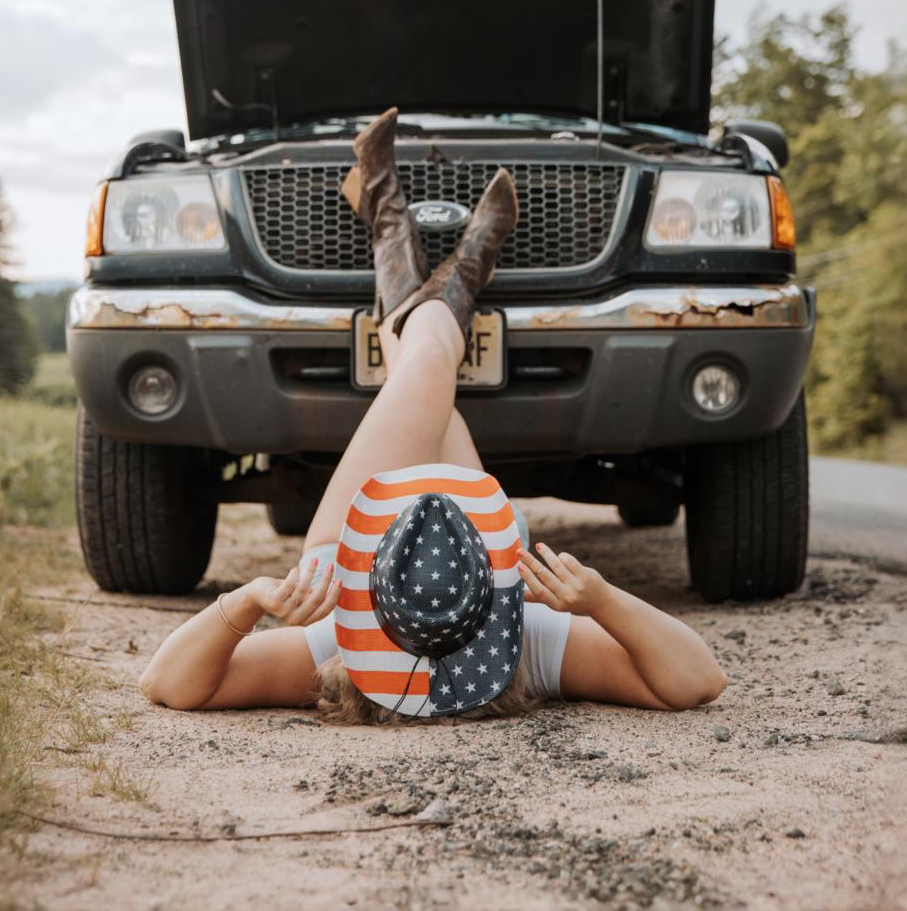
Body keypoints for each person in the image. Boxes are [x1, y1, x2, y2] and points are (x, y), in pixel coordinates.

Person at [138, 110, 727, 720]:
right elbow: (698, 679)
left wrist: (246, 602)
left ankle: (404, 226)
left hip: (347, 553)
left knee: (422, 369)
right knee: (427, 369)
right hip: (464, 541)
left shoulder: (337, 638)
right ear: (493, 610)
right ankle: (455, 257)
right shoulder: (532, 639)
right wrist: (601, 600)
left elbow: (167, 683)